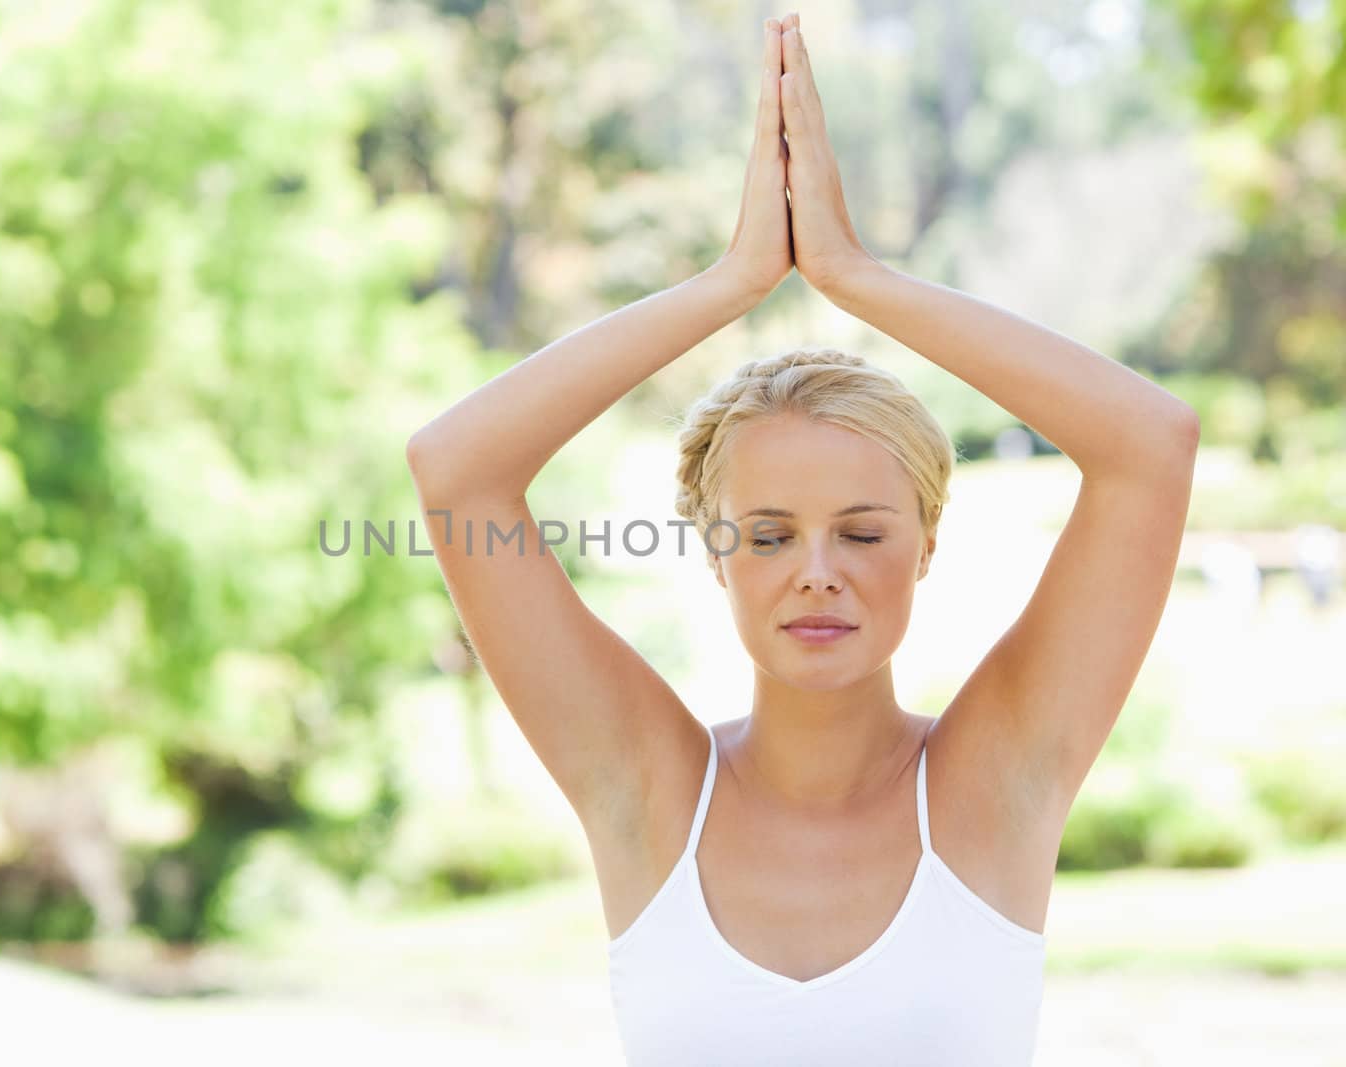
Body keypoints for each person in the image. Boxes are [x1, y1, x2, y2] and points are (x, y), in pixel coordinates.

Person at [405, 11, 1200, 1065]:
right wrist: (730, 280)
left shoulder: (992, 781)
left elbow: (1151, 444)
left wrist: (852, 274)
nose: (817, 575)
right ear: (714, 549)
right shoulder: (647, 791)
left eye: (862, 532)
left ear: (923, 543)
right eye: (769, 534)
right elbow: (456, 470)